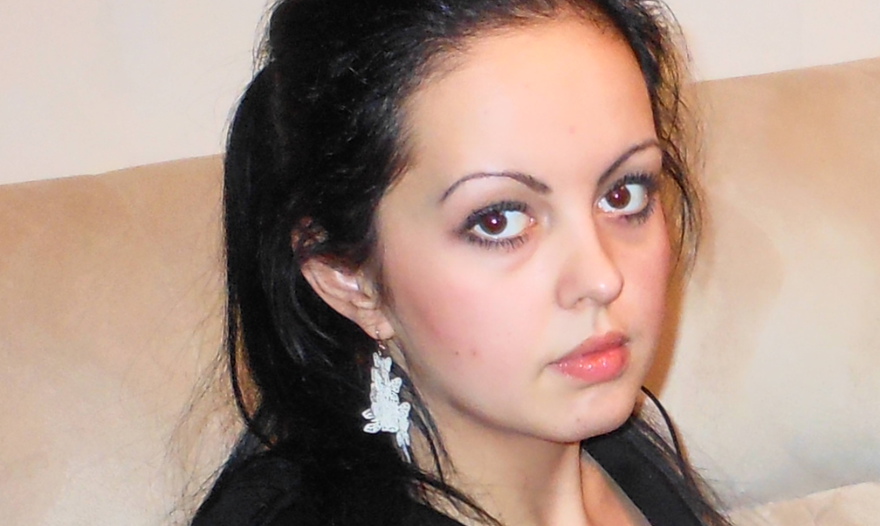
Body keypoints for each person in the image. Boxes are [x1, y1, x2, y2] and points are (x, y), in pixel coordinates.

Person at [192, 0, 731, 524]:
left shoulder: (619, 457)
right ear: (347, 278)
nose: (601, 278)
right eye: (498, 221)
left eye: (623, 194)